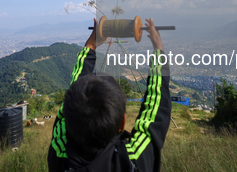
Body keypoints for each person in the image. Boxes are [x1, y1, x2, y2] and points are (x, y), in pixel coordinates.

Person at [48, 18, 171, 172]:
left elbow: (73, 94)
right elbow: (156, 105)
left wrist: (90, 45)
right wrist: (158, 47)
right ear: (122, 122)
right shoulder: (131, 161)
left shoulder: (60, 153)